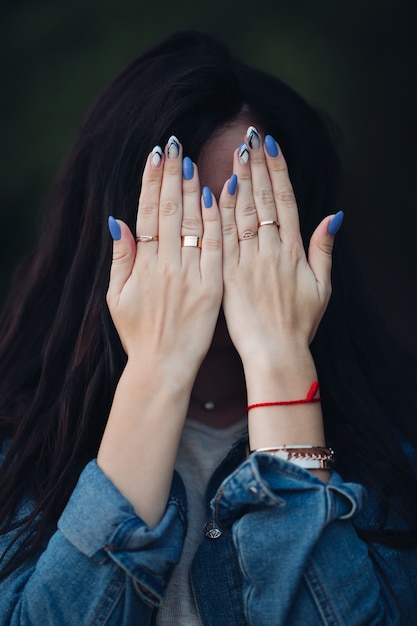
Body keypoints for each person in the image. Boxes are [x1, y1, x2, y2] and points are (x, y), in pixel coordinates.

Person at [0, 30, 416, 626]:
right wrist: (156, 371)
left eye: (255, 222)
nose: (215, 259)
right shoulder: (20, 447)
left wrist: (279, 362)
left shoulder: (396, 450)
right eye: (184, 224)